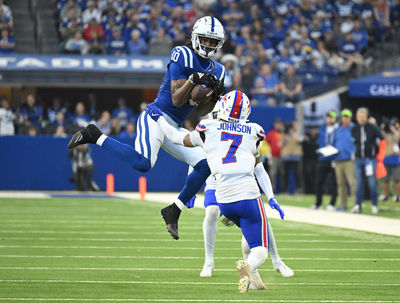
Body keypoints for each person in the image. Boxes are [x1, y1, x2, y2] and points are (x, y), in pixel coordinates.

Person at [68, 17, 225, 239]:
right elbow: (177, 98)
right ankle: (95, 135)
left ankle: (174, 210)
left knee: (204, 164)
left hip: (174, 126)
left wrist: (213, 95)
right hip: (156, 116)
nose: (208, 44)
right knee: (144, 163)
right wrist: (193, 80)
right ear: (195, 38)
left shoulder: (219, 69)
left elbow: (200, 111)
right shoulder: (182, 53)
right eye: (205, 39)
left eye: (213, 41)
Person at [145, 90, 287, 293]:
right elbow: (258, 167)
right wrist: (271, 197)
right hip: (248, 196)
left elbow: (176, 137)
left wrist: (159, 119)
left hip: (223, 200)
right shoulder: (254, 131)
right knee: (260, 249)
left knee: (247, 232)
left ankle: (254, 279)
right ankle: (248, 266)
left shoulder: (209, 128)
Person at [195, 105, 293, 280]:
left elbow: (259, 168)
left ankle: (269, 265)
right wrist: (189, 191)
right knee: (212, 211)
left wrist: (271, 196)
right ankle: (209, 261)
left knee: (257, 223)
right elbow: (195, 160)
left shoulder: (243, 133)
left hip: (238, 185)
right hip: (215, 181)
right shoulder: (209, 130)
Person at [350, 107, 385, 214]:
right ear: (356, 117)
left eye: (363, 116)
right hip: (358, 159)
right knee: (359, 183)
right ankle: (358, 205)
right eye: (359, 116)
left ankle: (374, 205)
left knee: (372, 183)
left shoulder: (372, 127)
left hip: (370, 159)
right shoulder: (354, 129)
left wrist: (380, 154)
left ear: (366, 117)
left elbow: (382, 139)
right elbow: (353, 142)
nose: (361, 118)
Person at [311, 110, 338, 210]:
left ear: (335, 118)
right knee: (318, 182)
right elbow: (320, 141)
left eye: (332, 117)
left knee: (333, 183)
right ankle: (318, 204)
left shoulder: (338, 129)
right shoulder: (322, 129)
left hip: (334, 158)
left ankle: (332, 204)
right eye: (328, 117)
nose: (330, 118)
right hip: (323, 157)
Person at [333, 109, 356, 211]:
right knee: (341, 184)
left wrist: (354, 153)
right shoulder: (338, 129)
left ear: (350, 118)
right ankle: (343, 205)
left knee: (352, 183)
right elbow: (335, 143)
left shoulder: (354, 128)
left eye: (347, 116)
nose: (345, 118)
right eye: (343, 116)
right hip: (338, 159)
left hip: (349, 160)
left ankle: (356, 205)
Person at [379, 117, 400, 202]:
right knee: (385, 179)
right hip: (386, 158)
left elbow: (398, 138)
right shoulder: (386, 133)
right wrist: (383, 128)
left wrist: (394, 130)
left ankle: (398, 196)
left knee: (397, 179)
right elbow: (380, 138)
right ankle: (385, 195)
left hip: (396, 158)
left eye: (394, 124)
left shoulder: (397, 132)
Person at [265, 118, 285, 192]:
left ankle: (283, 190)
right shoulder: (271, 133)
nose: (278, 125)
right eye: (277, 124)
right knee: (272, 173)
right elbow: (265, 143)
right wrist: (268, 153)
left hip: (283, 156)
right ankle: (271, 190)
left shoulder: (284, 133)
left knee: (283, 173)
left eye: (280, 124)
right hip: (273, 156)